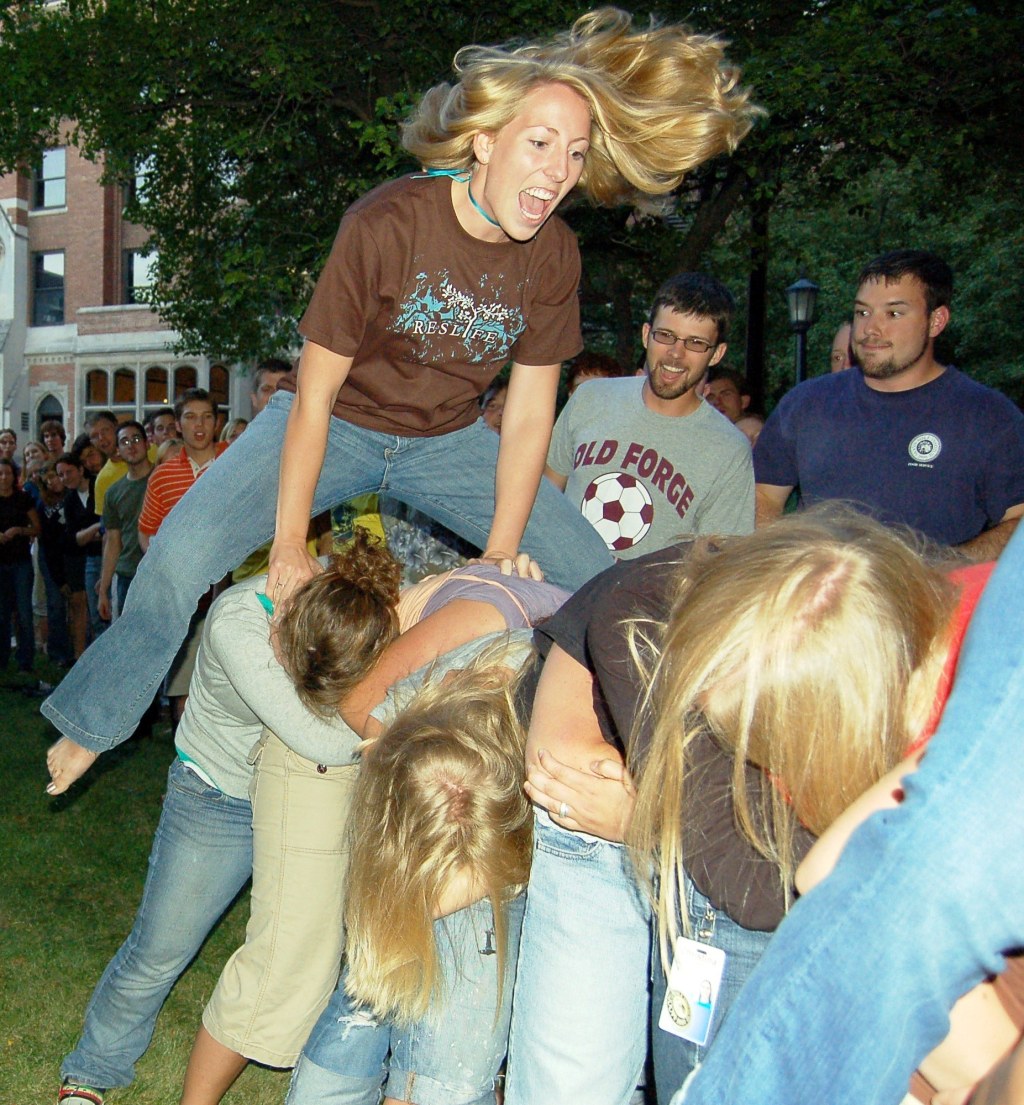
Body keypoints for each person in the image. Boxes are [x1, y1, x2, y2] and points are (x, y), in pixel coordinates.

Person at [43, 7, 760, 789]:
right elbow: (311, 396)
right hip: (339, 421)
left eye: (576, 154)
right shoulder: (387, 222)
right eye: (540, 143)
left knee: (595, 575)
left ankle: (649, 755)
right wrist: (288, 542)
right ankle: (92, 721)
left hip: (448, 442)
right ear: (486, 141)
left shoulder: (553, 255)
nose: (557, 172)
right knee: (180, 551)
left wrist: (501, 551)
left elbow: (527, 415)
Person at [178, 544, 568, 1105]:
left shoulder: (546, 742)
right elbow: (370, 719)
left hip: (503, 763)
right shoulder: (418, 687)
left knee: (443, 1012)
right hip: (451, 736)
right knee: (376, 961)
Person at [673, 520, 1024, 1105]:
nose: (773, 776)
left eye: (777, 748)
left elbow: (842, 881)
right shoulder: (904, 627)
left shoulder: (984, 693)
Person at [287, 635, 537, 1105]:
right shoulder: (400, 730)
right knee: (330, 1072)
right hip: (432, 812)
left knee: (444, 1080)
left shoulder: (552, 742)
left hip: (510, 847)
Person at [754, 249, 1024, 557]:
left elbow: (1019, 521)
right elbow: (763, 496)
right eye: (863, 312)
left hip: (932, 602)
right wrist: (781, 564)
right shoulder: (805, 404)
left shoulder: (988, 417)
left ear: (936, 321)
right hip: (821, 599)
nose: (871, 329)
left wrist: (946, 571)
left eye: (893, 314)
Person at [546, 272, 754, 558]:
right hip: (556, 584)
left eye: (695, 343)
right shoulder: (590, 399)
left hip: (644, 600)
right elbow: (545, 496)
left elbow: (717, 566)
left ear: (716, 354)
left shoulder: (729, 450)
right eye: (665, 336)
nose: (675, 354)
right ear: (646, 335)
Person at [96, 422, 154, 621]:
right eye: (124, 441)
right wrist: (104, 590)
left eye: (136, 439)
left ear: (147, 444)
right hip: (128, 575)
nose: (131, 445)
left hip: (161, 573)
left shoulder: (163, 478)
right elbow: (113, 541)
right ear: (118, 451)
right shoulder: (113, 492)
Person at [0, 457, 41, 674]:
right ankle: (2, 658)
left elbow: (36, 528)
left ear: (14, 476)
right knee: (1, 613)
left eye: (7, 473)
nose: (3, 478)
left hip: (20, 564)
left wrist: (18, 530)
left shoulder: (23, 499)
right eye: (0, 474)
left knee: (24, 612)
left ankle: (25, 660)